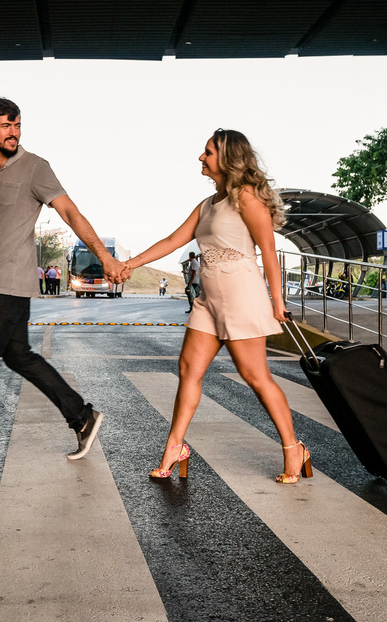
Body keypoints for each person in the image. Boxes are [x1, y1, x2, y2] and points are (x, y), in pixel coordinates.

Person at [0, 97, 127, 470]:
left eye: (17, 125)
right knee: (18, 355)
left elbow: (70, 212)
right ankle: (82, 416)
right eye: (5, 126)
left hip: (7, 283)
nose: (13, 132)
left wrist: (105, 257)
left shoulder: (35, 167)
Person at [122, 129, 307, 484]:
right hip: (208, 302)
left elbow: (268, 250)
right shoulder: (207, 206)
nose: (201, 158)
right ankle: (174, 448)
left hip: (242, 297)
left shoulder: (247, 198)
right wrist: (133, 264)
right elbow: (173, 240)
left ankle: (292, 448)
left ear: (226, 157)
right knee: (188, 370)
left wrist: (277, 301)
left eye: (207, 152)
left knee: (256, 377)